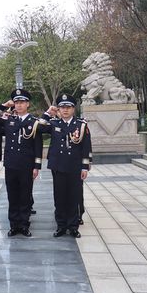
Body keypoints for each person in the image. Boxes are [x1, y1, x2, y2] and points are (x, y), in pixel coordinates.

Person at [0, 89, 43, 237]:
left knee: (25, 196)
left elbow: (37, 145)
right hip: (11, 164)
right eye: (16, 102)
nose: (19, 105)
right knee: (12, 196)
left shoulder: (33, 122)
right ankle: (14, 225)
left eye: (22, 102)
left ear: (28, 104)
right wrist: (4, 105)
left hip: (26, 165)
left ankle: (24, 225)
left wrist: (37, 166)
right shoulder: (9, 120)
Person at [39, 94, 92, 238]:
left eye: (68, 107)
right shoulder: (54, 123)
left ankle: (73, 226)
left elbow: (86, 147)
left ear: (73, 109)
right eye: (62, 107)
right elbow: (39, 128)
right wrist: (48, 113)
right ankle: (61, 225)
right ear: (59, 109)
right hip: (58, 166)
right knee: (60, 196)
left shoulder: (81, 125)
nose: (65, 110)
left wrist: (84, 167)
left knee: (74, 196)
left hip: (74, 166)